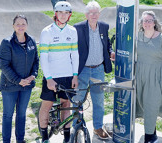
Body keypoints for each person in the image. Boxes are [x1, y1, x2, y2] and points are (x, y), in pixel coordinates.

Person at [73, 1, 115, 140]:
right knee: (78, 100)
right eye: (91, 13)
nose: (93, 15)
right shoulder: (78, 28)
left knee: (99, 101)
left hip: (98, 70)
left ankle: (97, 127)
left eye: (96, 12)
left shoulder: (103, 26)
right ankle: (77, 126)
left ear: (99, 14)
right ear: (86, 15)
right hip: (82, 70)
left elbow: (107, 43)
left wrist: (110, 52)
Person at [38, 1, 79, 143]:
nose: (63, 15)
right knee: (46, 105)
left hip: (67, 75)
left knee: (66, 104)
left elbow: (75, 54)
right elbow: (43, 57)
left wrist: (75, 76)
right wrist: (49, 79)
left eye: (66, 13)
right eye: (60, 12)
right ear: (55, 14)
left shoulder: (72, 31)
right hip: (52, 76)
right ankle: (44, 137)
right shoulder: (47, 31)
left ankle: (67, 137)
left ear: (70, 15)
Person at [0, 15, 39, 143]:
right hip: (9, 86)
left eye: (23, 24)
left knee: (21, 114)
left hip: (26, 85)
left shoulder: (31, 40)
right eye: (18, 24)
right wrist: (18, 81)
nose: (21, 26)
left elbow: (36, 61)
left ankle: (20, 140)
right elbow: (4, 66)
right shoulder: (7, 42)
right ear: (13, 26)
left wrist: (33, 75)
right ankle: (6, 141)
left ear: (27, 25)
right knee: (8, 115)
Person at [135, 11, 162, 143]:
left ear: (154, 22)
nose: (147, 23)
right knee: (144, 104)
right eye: (144, 20)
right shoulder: (137, 37)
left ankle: (149, 138)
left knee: (151, 104)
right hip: (140, 75)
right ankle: (153, 132)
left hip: (156, 77)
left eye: (149, 20)